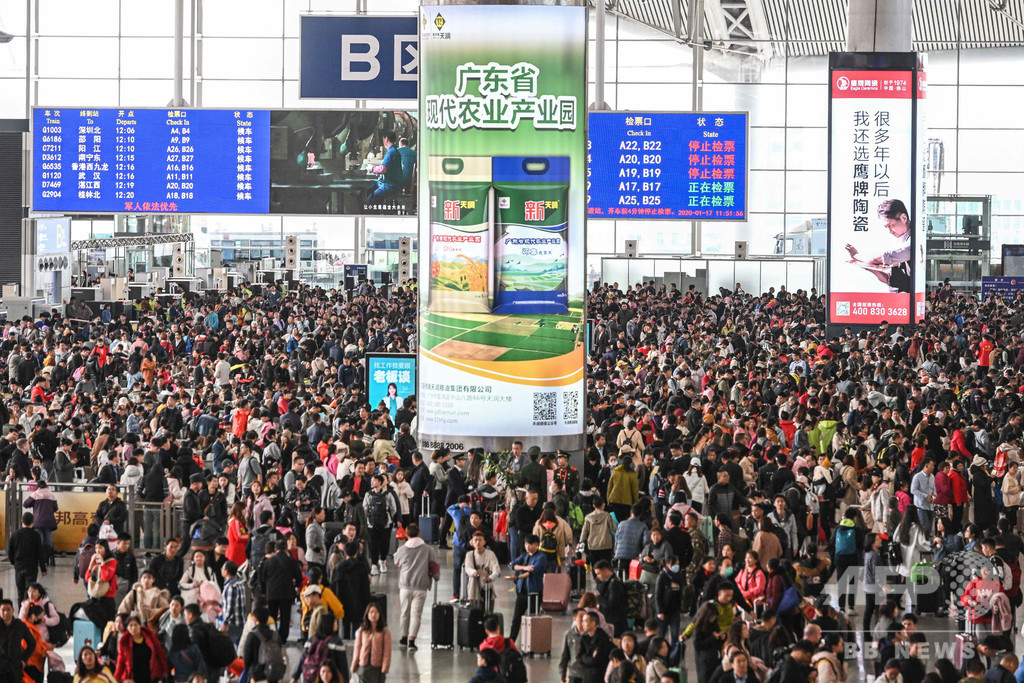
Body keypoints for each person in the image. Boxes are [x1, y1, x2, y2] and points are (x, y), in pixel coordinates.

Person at [844, 198, 912, 293]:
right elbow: (889, 278)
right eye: (886, 227)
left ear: (903, 218)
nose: (889, 231)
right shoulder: (899, 241)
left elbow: (882, 258)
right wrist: (863, 265)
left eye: (891, 225)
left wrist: (857, 256)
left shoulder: (913, 242)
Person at [258, 540, 303, 643]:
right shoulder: (291, 561)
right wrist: (294, 586)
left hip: (271, 593)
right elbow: (299, 578)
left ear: (276, 549)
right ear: (286, 548)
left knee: (272, 616)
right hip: (287, 594)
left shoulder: (267, 562)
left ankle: (271, 636)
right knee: (285, 617)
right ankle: (283, 638)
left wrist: (266, 591)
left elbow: (262, 579)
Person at [507, 533, 546, 643]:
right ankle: (511, 641)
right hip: (521, 592)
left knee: (533, 619)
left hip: (534, 593)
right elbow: (512, 564)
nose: (528, 546)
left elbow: (532, 571)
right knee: (516, 619)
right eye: (526, 544)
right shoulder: (525, 556)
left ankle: (532, 644)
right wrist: (524, 567)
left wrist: (518, 574)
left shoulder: (541, 557)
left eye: (531, 544)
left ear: (537, 545)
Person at [291, 613, 349, 683]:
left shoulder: (311, 640)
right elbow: (342, 666)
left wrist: (295, 677)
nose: (337, 624)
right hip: (327, 679)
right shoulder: (336, 642)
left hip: (309, 677)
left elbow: (302, 660)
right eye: (335, 622)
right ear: (330, 624)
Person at [114, 616, 170, 683]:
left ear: (140, 626)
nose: (133, 628)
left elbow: (160, 652)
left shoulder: (150, 636)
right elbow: (121, 662)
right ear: (127, 628)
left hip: (151, 675)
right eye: (131, 625)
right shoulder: (124, 642)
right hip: (134, 677)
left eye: (136, 625)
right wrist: (116, 678)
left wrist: (165, 669)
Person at [7, 513, 46, 604]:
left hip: (19, 567)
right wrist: (43, 569)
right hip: (31, 567)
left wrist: (14, 562)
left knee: (20, 592)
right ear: (33, 522)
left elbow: (10, 551)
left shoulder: (15, 534)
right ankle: (28, 613)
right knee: (30, 592)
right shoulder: (36, 535)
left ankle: (21, 613)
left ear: (22, 521)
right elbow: (40, 553)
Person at [243, 607, 286, 683]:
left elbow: (247, 659)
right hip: (273, 674)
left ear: (255, 619)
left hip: (257, 675)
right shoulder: (275, 635)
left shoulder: (252, 635)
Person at [350, 602, 391, 683]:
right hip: (363, 666)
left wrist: (384, 668)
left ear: (379, 614)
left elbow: (387, 652)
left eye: (375, 612)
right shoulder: (362, 630)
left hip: (377, 668)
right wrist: (354, 665)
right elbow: (357, 648)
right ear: (367, 614)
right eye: (371, 612)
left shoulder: (384, 631)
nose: (373, 615)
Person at [367, 130, 404, 203]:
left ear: (386, 139)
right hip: (390, 183)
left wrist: (371, 168)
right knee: (370, 185)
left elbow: (383, 169)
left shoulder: (391, 152)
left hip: (390, 185)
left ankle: (371, 211)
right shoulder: (394, 151)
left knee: (371, 199)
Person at [579, 610, 613, 683]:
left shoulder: (603, 639)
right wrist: (588, 657)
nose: (582, 624)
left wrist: (585, 657)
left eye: (585, 621)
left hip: (598, 677)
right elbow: (580, 657)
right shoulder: (584, 638)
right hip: (586, 677)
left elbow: (596, 660)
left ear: (593, 623)